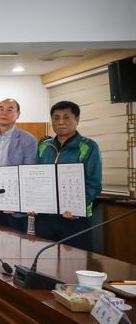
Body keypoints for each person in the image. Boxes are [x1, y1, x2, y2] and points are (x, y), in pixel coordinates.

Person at [34, 101, 102, 251]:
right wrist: (33, 202)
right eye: (56, 118)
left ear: (77, 120)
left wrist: (76, 207)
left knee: (74, 261)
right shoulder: (44, 146)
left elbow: (93, 184)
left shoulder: (89, 146)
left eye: (66, 117)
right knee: (45, 259)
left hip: (75, 217)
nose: (60, 122)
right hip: (45, 216)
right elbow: (35, 179)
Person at [0, 98, 37, 231]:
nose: (3, 113)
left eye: (9, 110)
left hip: (14, 203)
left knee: (15, 239)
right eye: (1, 109)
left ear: (18, 114)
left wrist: (18, 201)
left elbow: (28, 173)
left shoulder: (28, 139)